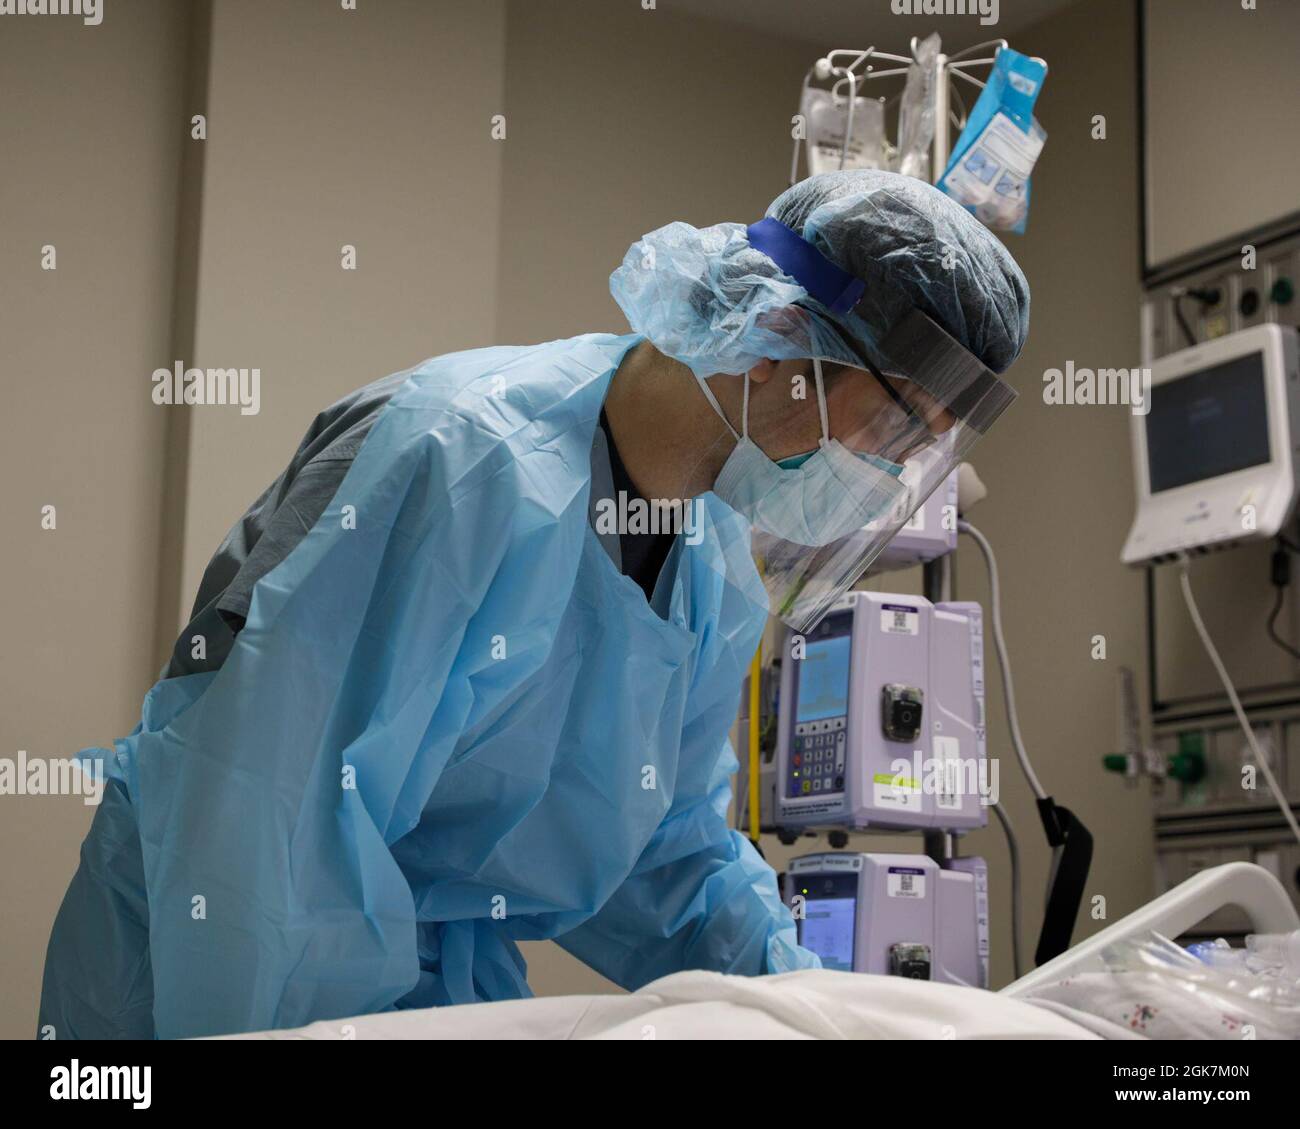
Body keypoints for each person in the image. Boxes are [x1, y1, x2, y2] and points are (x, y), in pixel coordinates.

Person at [39, 169, 1029, 1038]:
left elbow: (662, 854)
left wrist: (824, 1014)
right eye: (899, 425)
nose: (894, 472)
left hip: (430, 990)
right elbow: (269, 818)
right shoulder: (459, 464)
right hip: (216, 963)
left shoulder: (711, 563)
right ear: (777, 339)